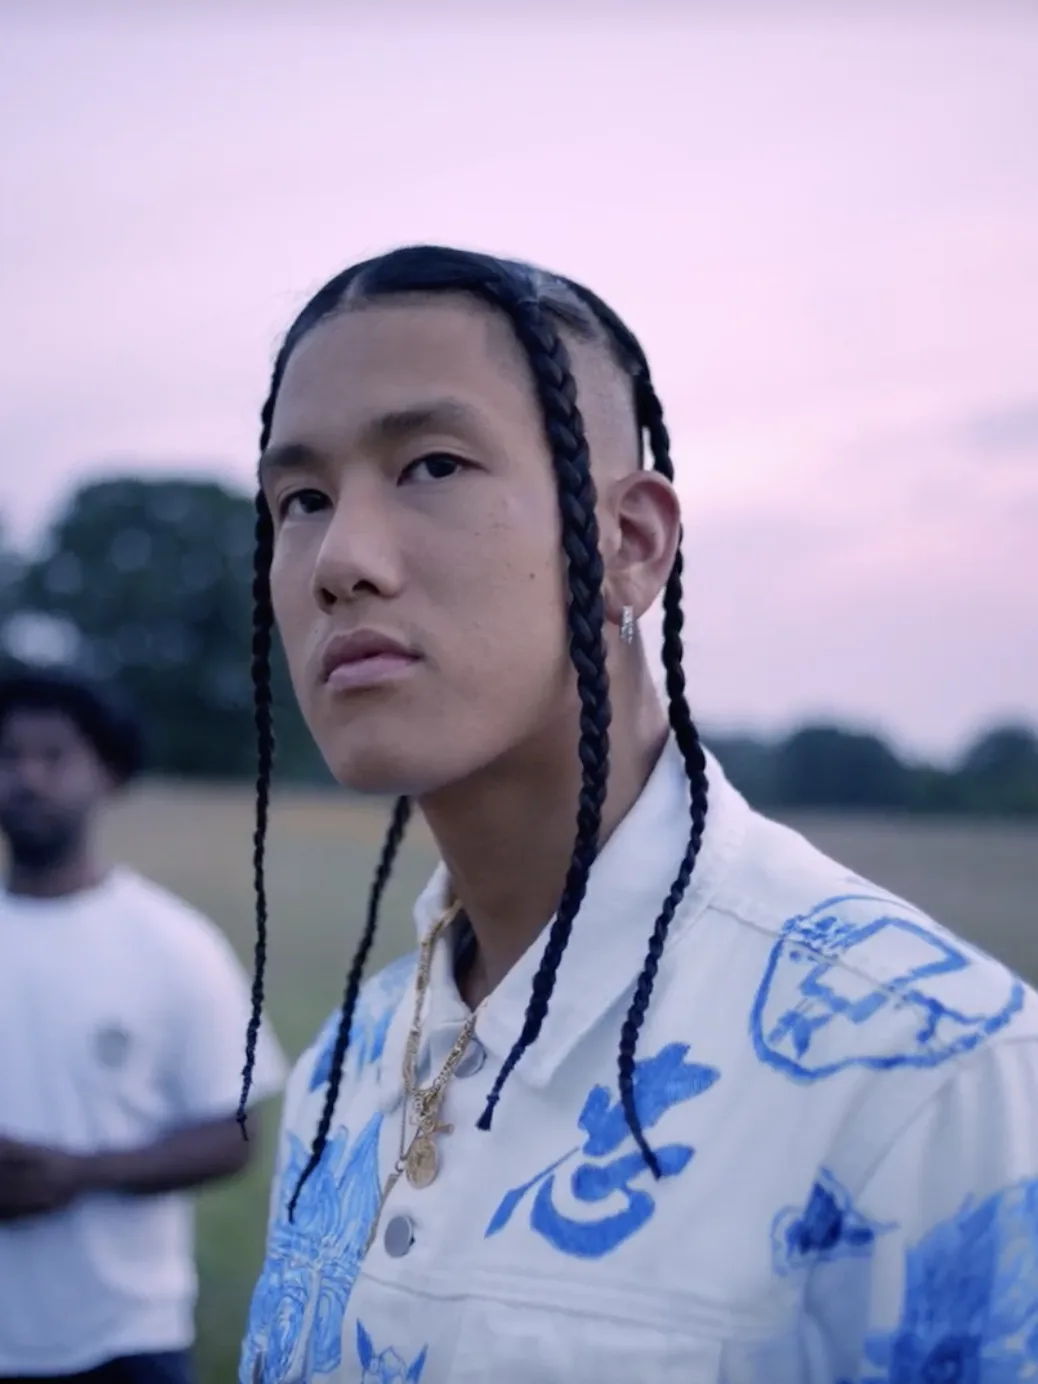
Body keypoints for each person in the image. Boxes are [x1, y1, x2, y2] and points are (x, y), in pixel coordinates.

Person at [238, 245, 1038, 1384]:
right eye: (301, 499)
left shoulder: (930, 1067)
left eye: (431, 465)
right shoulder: (346, 1067)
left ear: (629, 543)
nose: (340, 560)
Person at [0, 663, 286, 1383]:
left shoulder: (172, 945)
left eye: (54, 756)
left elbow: (233, 1132)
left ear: (107, 773)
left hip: (124, 1336)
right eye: (7, 756)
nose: (27, 777)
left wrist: (80, 1174)